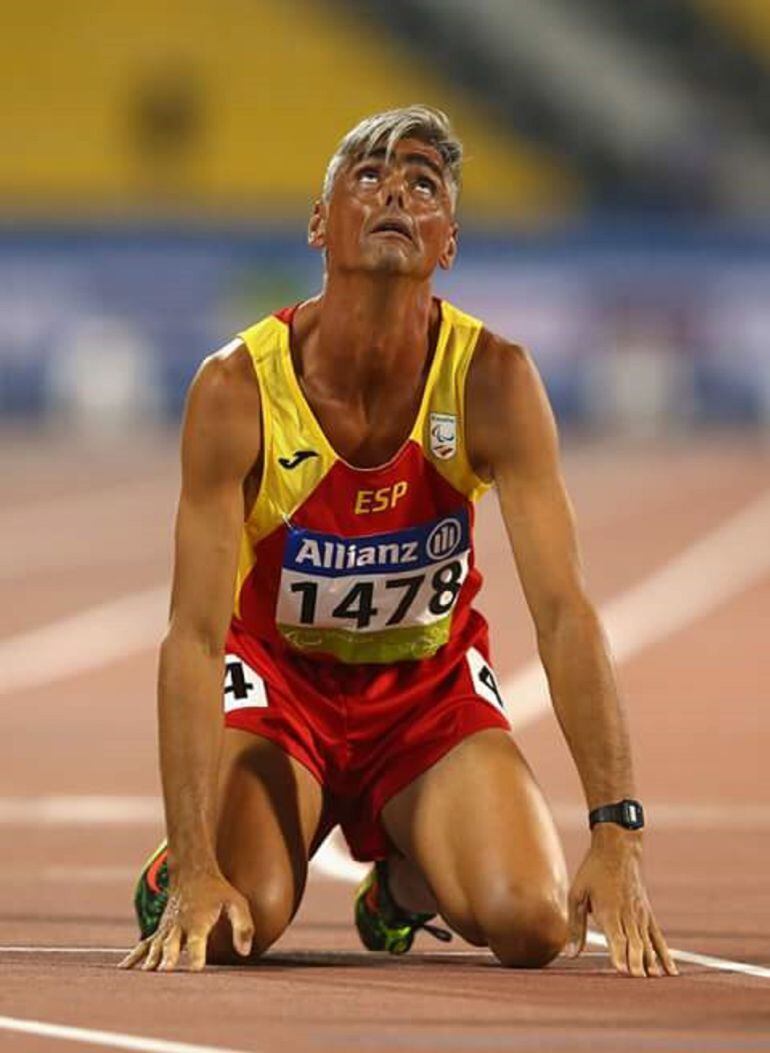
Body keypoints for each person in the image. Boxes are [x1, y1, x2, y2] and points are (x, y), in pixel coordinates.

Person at [120, 105, 677, 978]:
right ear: (319, 221)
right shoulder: (236, 389)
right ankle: (191, 853)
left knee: (533, 926)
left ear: (446, 240)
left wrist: (617, 831)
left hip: (427, 703)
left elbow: (565, 612)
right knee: (234, 925)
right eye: (369, 177)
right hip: (282, 698)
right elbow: (192, 637)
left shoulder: (493, 379)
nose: (396, 195)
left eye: (424, 184)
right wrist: (195, 863)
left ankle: (401, 889)